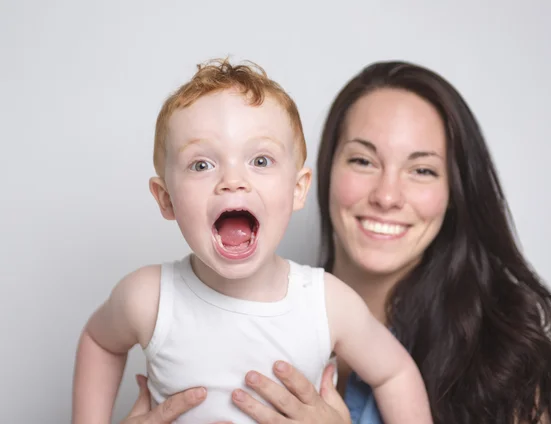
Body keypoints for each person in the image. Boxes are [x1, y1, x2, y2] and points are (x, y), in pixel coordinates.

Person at [121, 60, 551, 424]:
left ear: (455, 193)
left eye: (422, 170)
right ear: (320, 175)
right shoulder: (228, 311)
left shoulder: (504, 362)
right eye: (362, 160)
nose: (387, 196)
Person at [71, 58, 434, 424]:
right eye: (201, 165)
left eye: (260, 160)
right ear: (166, 198)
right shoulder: (148, 297)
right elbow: (99, 341)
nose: (233, 180)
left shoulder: (326, 303)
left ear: (297, 189)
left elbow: (395, 373)